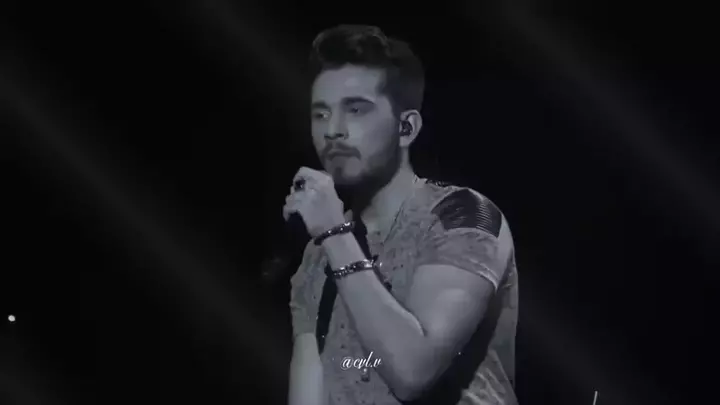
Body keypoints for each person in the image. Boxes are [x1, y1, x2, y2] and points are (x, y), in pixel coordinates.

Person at [283, 25, 519, 405]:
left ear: (406, 128)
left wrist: (335, 234)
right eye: (321, 113)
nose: (332, 131)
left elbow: (412, 371)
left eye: (355, 109)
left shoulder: (461, 217)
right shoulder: (318, 253)